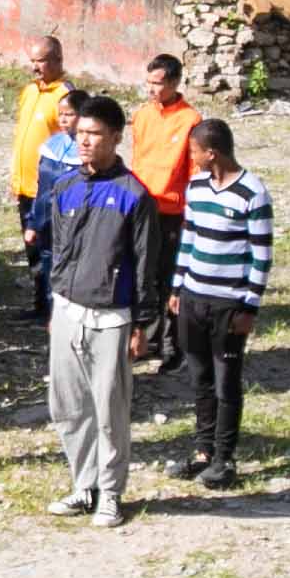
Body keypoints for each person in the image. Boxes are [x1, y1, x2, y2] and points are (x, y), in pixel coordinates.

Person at [39, 95, 148, 528]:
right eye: (81, 133)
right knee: (67, 405)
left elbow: (144, 265)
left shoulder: (133, 195)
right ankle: (83, 485)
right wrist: (55, 304)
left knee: (109, 410)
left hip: (112, 318)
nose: (85, 141)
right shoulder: (65, 187)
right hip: (67, 311)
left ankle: (111, 493)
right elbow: (59, 252)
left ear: (116, 138)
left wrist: (141, 324)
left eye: (95, 134)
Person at [171, 118, 275, 490]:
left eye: (194, 151)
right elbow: (189, 238)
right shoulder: (197, 187)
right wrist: (177, 286)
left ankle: (224, 457)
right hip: (195, 297)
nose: (191, 157)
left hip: (229, 304)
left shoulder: (252, 193)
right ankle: (202, 450)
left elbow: (261, 256)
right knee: (199, 377)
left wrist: (250, 307)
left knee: (225, 381)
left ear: (211, 153)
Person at [121, 54, 200, 371]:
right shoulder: (141, 116)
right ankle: (148, 337)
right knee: (144, 275)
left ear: (175, 83)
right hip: (142, 207)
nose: (152, 89)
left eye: (159, 83)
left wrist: (190, 215)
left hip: (172, 211)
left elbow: (194, 172)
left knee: (170, 280)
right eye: (149, 82)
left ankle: (172, 346)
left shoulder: (190, 120)